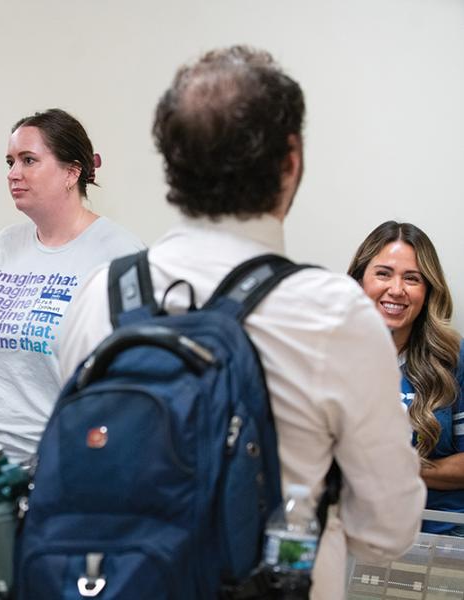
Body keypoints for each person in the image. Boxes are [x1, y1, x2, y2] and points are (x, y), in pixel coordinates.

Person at [57, 46, 425, 600]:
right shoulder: (334, 313)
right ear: (292, 160)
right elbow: (387, 530)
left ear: (172, 167)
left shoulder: (100, 296)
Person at [0, 108, 143, 476]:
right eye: (10, 161)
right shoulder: (6, 244)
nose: (13, 174)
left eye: (28, 160)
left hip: (60, 470)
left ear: (72, 172)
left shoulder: (118, 252)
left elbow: (133, 375)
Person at [349, 221, 464, 535]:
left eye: (412, 278)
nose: (396, 289)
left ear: (427, 292)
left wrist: (399, 468)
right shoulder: (329, 356)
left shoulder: (455, 359)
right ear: (360, 281)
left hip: (439, 537)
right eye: (383, 273)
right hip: (352, 531)